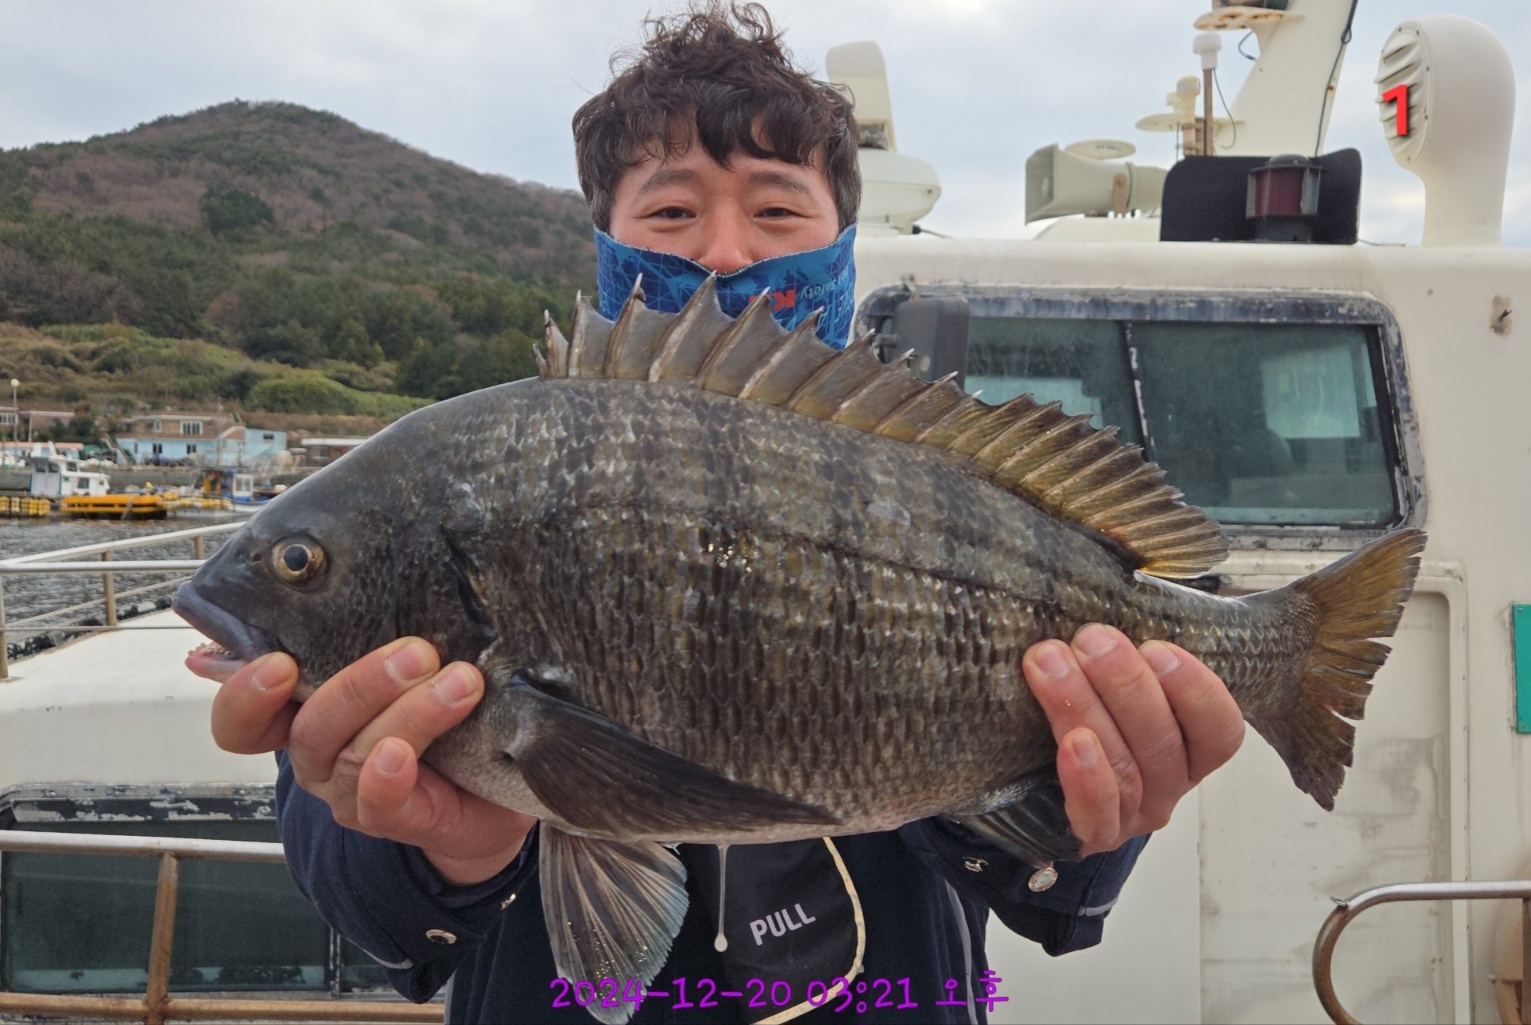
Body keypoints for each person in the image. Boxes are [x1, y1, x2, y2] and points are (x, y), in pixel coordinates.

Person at [193, 5, 1245, 1022]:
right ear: (605, 239)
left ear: (843, 240)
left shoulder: (924, 476)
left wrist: (1090, 809)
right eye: (670, 212)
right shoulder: (452, 483)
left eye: (777, 210)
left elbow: (1050, 894)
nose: (726, 252)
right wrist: (448, 844)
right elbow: (370, 915)